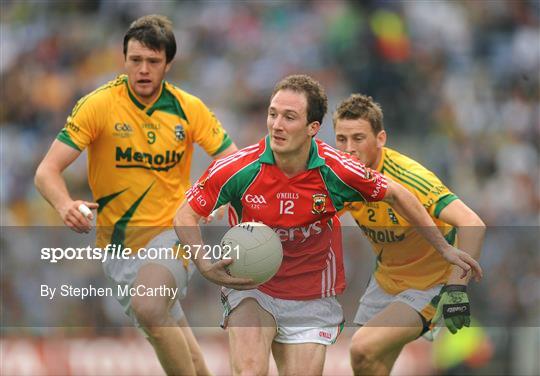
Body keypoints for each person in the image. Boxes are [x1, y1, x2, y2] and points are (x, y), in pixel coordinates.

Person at [174, 75, 482, 375]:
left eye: (289, 117)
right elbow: (185, 214)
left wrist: (445, 253)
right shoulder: (239, 168)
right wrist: (202, 261)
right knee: (251, 369)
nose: (277, 125)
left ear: (312, 128)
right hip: (252, 286)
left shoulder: (340, 171)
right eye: (273, 114)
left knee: (362, 352)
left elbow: (398, 194)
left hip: (312, 294)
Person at [34, 15, 237, 375]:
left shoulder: (189, 108)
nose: (143, 69)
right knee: (180, 345)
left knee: (149, 307)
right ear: (124, 59)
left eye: (153, 62)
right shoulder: (98, 105)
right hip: (117, 248)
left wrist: (216, 197)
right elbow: (46, 172)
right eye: (135, 60)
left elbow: (233, 161)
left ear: (168, 64)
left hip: (173, 233)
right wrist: (65, 204)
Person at [333, 93, 486, 375]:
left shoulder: (409, 177)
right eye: (341, 139)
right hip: (386, 280)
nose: (349, 149)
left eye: (358, 138)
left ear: (380, 139)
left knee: (360, 347)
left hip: (430, 285)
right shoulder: (341, 177)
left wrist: (456, 289)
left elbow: (472, 223)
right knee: (367, 362)